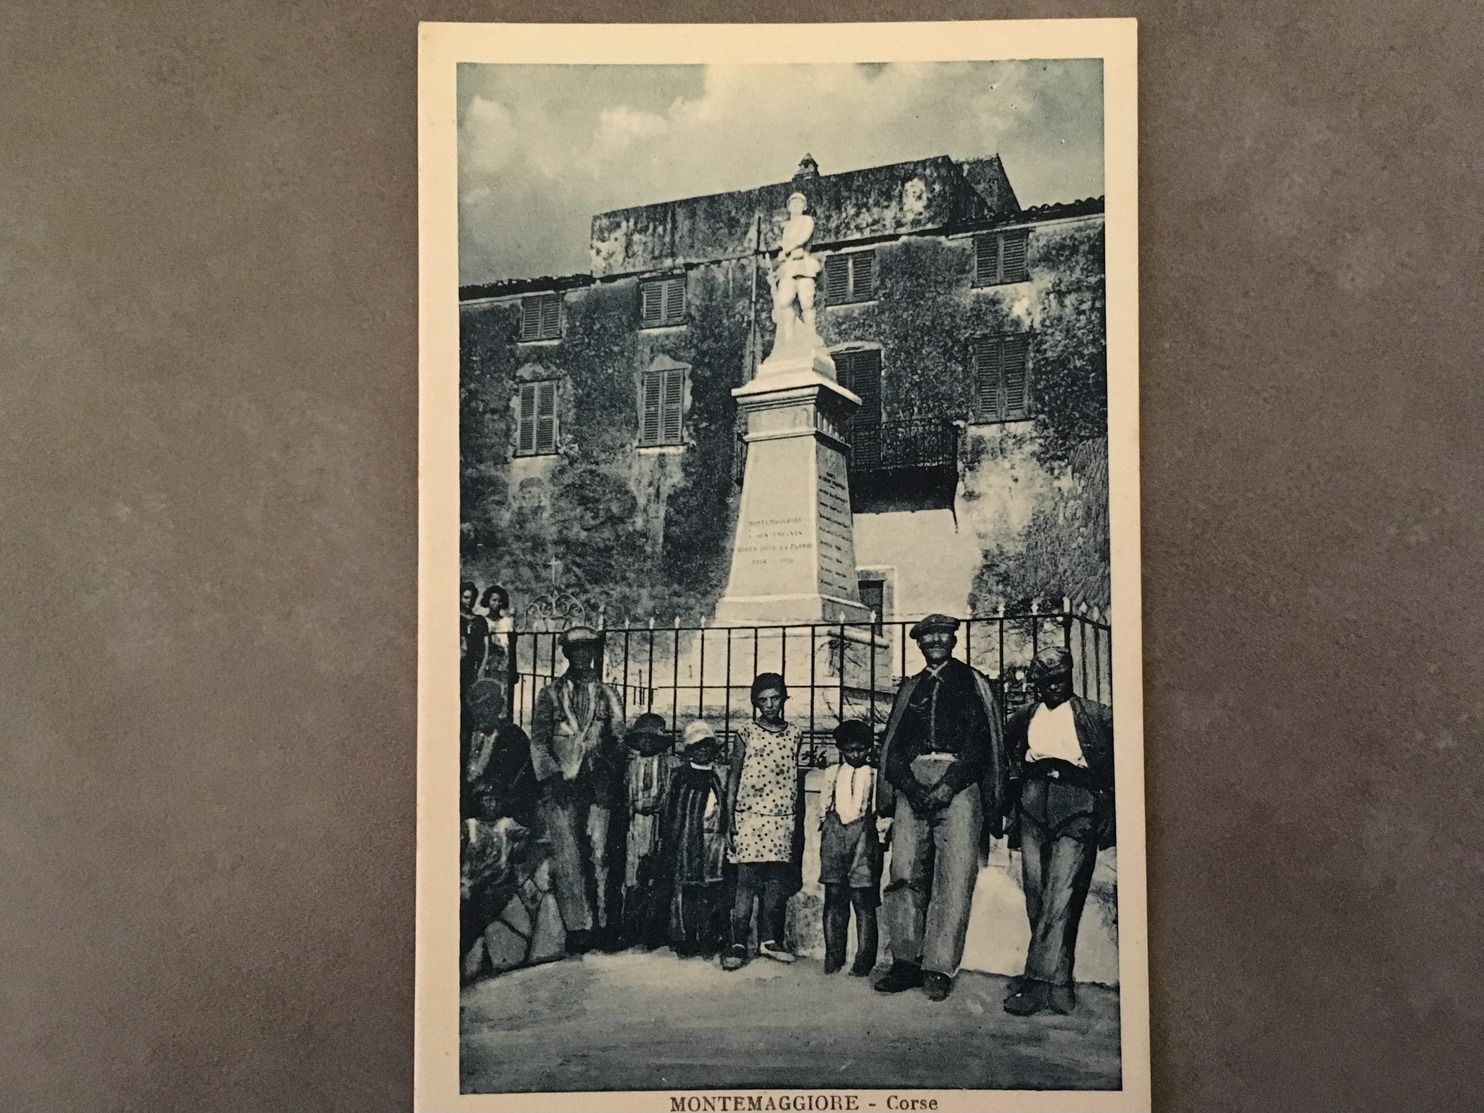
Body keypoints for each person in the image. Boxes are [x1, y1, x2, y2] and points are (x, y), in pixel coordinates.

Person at [874, 614, 1007, 1001]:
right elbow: (893, 746)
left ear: (952, 638)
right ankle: (904, 962)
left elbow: (982, 744)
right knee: (903, 872)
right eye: (927, 635)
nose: (934, 640)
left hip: (959, 783)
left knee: (954, 875)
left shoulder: (973, 683)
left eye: (942, 634)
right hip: (912, 783)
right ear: (918, 643)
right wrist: (911, 786)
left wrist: (949, 785)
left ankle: (938, 967)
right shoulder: (910, 688)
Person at [1002, 646, 1115, 1017]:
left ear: (1070, 676)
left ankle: (1036, 983)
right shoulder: (1023, 716)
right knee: (1037, 895)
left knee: (1062, 895)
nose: (1053, 686)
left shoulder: (1096, 715)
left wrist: (1108, 805)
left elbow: (1121, 761)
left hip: (1077, 805)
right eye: (1046, 681)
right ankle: (1061, 980)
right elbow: (1007, 754)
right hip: (1033, 806)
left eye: (1060, 679)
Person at [529, 625, 625, 954]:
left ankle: (602, 924)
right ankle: (579, 928)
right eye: (577, 651)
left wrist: (606, 771)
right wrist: (553, 777)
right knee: (567, 856)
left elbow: (618, 738)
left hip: (597, 785)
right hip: (561, 787)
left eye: (590, 651)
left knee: (599, 853)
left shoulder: (609, 694)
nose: (584, 657)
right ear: (567, 654)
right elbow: (539, 741)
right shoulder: (550, 693)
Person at [722, 673, 804, 971]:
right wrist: (730, 818)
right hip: (750, 817)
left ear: (784, 698)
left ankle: (769, 941)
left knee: (774, 882)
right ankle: (738, 942)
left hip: (781, 819)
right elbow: (734, 776)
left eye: (775, 698)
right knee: (746, 882)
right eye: (763, 700)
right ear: (755, 702)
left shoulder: (795, 733)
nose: (770, 705)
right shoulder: (746, 732)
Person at [647, 720, 730, 957]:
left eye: (707, 746)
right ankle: (686, 937)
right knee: (686, 890)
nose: (703, 751)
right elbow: (670, 810)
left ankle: (708, 937)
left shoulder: (717, 776)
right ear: (689, 750)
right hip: (686, 840)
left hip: (712, 842)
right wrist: (669, 839)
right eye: (697, 746)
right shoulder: (679, 776)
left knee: (711, 890)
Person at [819, 719, 882, 976]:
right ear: (841, 749)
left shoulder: (875, 775)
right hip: (835, 838)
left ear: (869, 748)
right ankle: (834, 955)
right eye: (850, 749)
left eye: (861, 749)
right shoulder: (832, 773)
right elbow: (824, 808)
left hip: (863, 840)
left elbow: (878, 809)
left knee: (863, 899)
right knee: (834, 896)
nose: (856, 754)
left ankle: (864, 960)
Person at [613, 712, 678, 949]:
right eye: (643, 738)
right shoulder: (630, 767)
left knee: (657, 878)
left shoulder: (669, 765)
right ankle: (631, 930)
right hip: (636, 825)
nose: (647, 742)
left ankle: (655, 933)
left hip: (658, 825)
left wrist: (660, 807)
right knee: (633, 880)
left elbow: (670, 795)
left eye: (652, 738)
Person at [462, 677, 538, 827]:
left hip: (502, 814)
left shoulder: (513, 736)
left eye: (488, 705)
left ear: (500, 706)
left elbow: (520, 783)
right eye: (476, 707)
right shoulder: (464, 736)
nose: (482, 712)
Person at [460, 582, 487, 699]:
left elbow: (486, 646)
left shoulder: (480, 621)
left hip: (474, 667)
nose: (469, 601)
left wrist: (482, 668)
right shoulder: (454, 618)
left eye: (472, 598)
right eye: (466, 597)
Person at [480, 584, 513, 681]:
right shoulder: (483, 621)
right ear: (488, 601)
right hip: (487, 663)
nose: (497, 604)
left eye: (500, 601)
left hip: (504, 663)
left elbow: (511, 645)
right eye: (494, 600)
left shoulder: (507, 622)